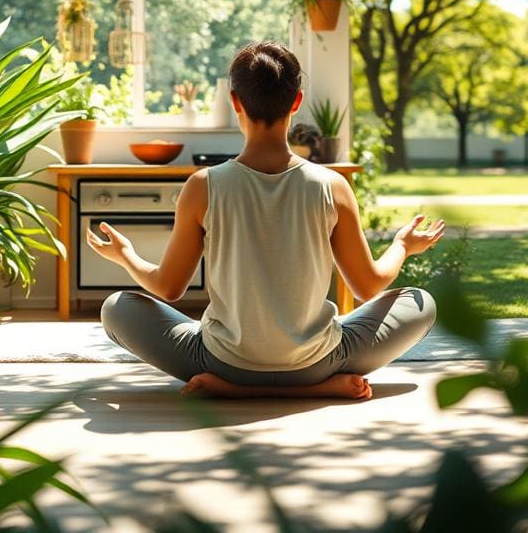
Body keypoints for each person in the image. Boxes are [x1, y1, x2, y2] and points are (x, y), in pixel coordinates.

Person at [87, 41, 444, 400]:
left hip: (219, 362)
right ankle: (312, 389)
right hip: (318, 363)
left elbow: (169, 288)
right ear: (297, 102)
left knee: (117, 308)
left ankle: (234, 388)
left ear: (235, 101)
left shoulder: (202, 186)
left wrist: (126, 255)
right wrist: (401, 246)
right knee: (420, 303)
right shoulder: (333, 186)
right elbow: (367, 286)